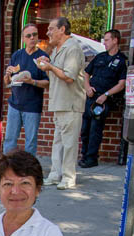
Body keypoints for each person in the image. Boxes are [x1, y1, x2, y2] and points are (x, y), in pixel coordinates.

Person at [37, 17, 85, 189]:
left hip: (70, 103)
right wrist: (47, 66)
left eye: (51, 29)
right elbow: (55, 77)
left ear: (62, 29)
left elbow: (69, 77)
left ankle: (68, 177)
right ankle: (55, 174)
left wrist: (50, 67)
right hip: (59, 103)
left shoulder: (73, 49)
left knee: (69, 143)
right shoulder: (57, 50)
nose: (48, 32)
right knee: (58, 142)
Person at [79, 29, 127, 168]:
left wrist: (105, 95)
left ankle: (91, 158)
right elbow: (86, 73)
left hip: (103, 100)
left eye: (106, 40)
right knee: (85, 129)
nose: (104, 43)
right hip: (91, 97)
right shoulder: (100, 57)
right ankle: (84, 155)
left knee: (95, 129)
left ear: (115, 40)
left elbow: (121, 84)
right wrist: (87, 87)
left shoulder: (121, 61)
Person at [3, 23, 49, 155]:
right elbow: (7, 82)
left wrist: (32, 81)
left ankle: (29, 167)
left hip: (32, 105)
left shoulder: (42, 57)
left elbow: (47, 83)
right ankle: (8, 165)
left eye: (34, 35)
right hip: (15, 103)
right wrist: (7, 75)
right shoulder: (17, 55)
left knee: (31, 142)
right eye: (28, 36)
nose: (32, 38)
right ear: (23, 38)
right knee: (10, 139)